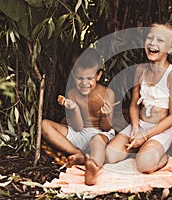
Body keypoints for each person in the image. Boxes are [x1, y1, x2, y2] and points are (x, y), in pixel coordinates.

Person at [105, 23, 172, 173]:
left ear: (170, 48)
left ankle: (163, 156)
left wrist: (146, 135)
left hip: (161, 130)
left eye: (160, 40)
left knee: (145, 165)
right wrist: (135, 128)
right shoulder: (141, 70)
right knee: (110, 155)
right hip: (140, 125)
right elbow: (134, 105)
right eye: (150, 37)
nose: (153, 43)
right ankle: (142, 148)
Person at [41, 48, 116, 185]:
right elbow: (77, 127)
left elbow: (106, 128)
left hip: (100, 134)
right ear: (74, 74)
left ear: (98, 76)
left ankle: (93, 167)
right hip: (79, 133)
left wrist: (105, 115)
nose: (84, 83)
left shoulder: (107, 93)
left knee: (97, 141)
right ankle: (78, 154)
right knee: (44, 124)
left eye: (89, 78)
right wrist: (74, 109)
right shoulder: (72, 94)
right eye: (79, 78)